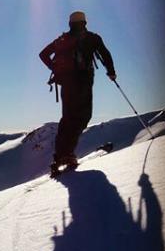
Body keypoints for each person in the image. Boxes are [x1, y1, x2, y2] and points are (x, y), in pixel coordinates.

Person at [39, 11, 116, 171]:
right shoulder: (93, 38)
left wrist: (54, 67)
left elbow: (43, 54)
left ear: (70, 24)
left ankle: (60, 155)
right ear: (85, 22)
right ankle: (68, 153)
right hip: (84, 81)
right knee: (83, 116)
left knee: (67, 118)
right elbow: (105, 54)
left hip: (66, 83)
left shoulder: (62, 39)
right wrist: (111, 71)